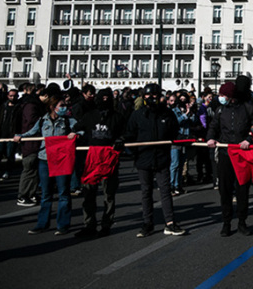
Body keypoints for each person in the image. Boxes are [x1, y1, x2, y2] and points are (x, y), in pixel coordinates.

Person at [125, 84, 186, 237]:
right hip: (143, 159)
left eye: (154, 96)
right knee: (146, 191)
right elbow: (129, 136)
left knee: (165, 190)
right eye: (148, 96)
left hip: (161, 158)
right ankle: (147, 223)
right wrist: (131, 150)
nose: (151, 99)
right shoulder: (137, 115)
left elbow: (174, 133)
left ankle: (170, 223)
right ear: (143, 97)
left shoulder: (167, 114)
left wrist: (183, 139)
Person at [14, 93, 80, 235]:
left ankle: (63, 224)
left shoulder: (69, 121)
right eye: (61, 105)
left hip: (62, 159)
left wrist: (75, 134)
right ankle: (42, 223)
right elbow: (32, 132)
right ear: (52, 107)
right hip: (45, 159)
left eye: (65, 105)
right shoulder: (42, 120)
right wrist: (20, 136)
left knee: (63, 192)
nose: (64, 108)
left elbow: (81, 129)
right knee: (46, 194)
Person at [207, 82, 253, 236]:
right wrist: (210, 138)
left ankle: (242, 222)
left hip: (242, 155)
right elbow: (213, 127)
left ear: (230, 96)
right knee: (224, 190)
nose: (220, 98)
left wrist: (249, 139)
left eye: (222, 95)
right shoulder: (220, 111)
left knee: (242, 190)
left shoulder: (248, 108)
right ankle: (226, 223)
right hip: (225, 154)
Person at [74, 88, 125, 238]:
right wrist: (76, 134)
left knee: (109, 194)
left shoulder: (117, 117)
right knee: (89, 194)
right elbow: (77, 128)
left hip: (109, 160)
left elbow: (125, 133)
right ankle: (89, 224)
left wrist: (121, 140)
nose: (104, 101)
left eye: (107, 98)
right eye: (102, 98)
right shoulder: (89, 116)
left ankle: (106, 224)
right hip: (92, 160)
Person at [15, 84, 49, 206]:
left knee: (34, 170)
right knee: (29, 169)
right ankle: (23, 195)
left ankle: (31, 193)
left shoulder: (34, 105)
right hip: (30, 142)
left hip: (35, 142)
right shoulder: (32, 106)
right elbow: (31, 123)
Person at [0, 88, 21, 181]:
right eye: (11, 95)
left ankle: (7, 172)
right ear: (8, 96)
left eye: (14, 96)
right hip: (1, 134)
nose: (12, 97)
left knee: (10, 154)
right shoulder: (3, 107)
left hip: (12, 135)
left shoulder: (19, 107)